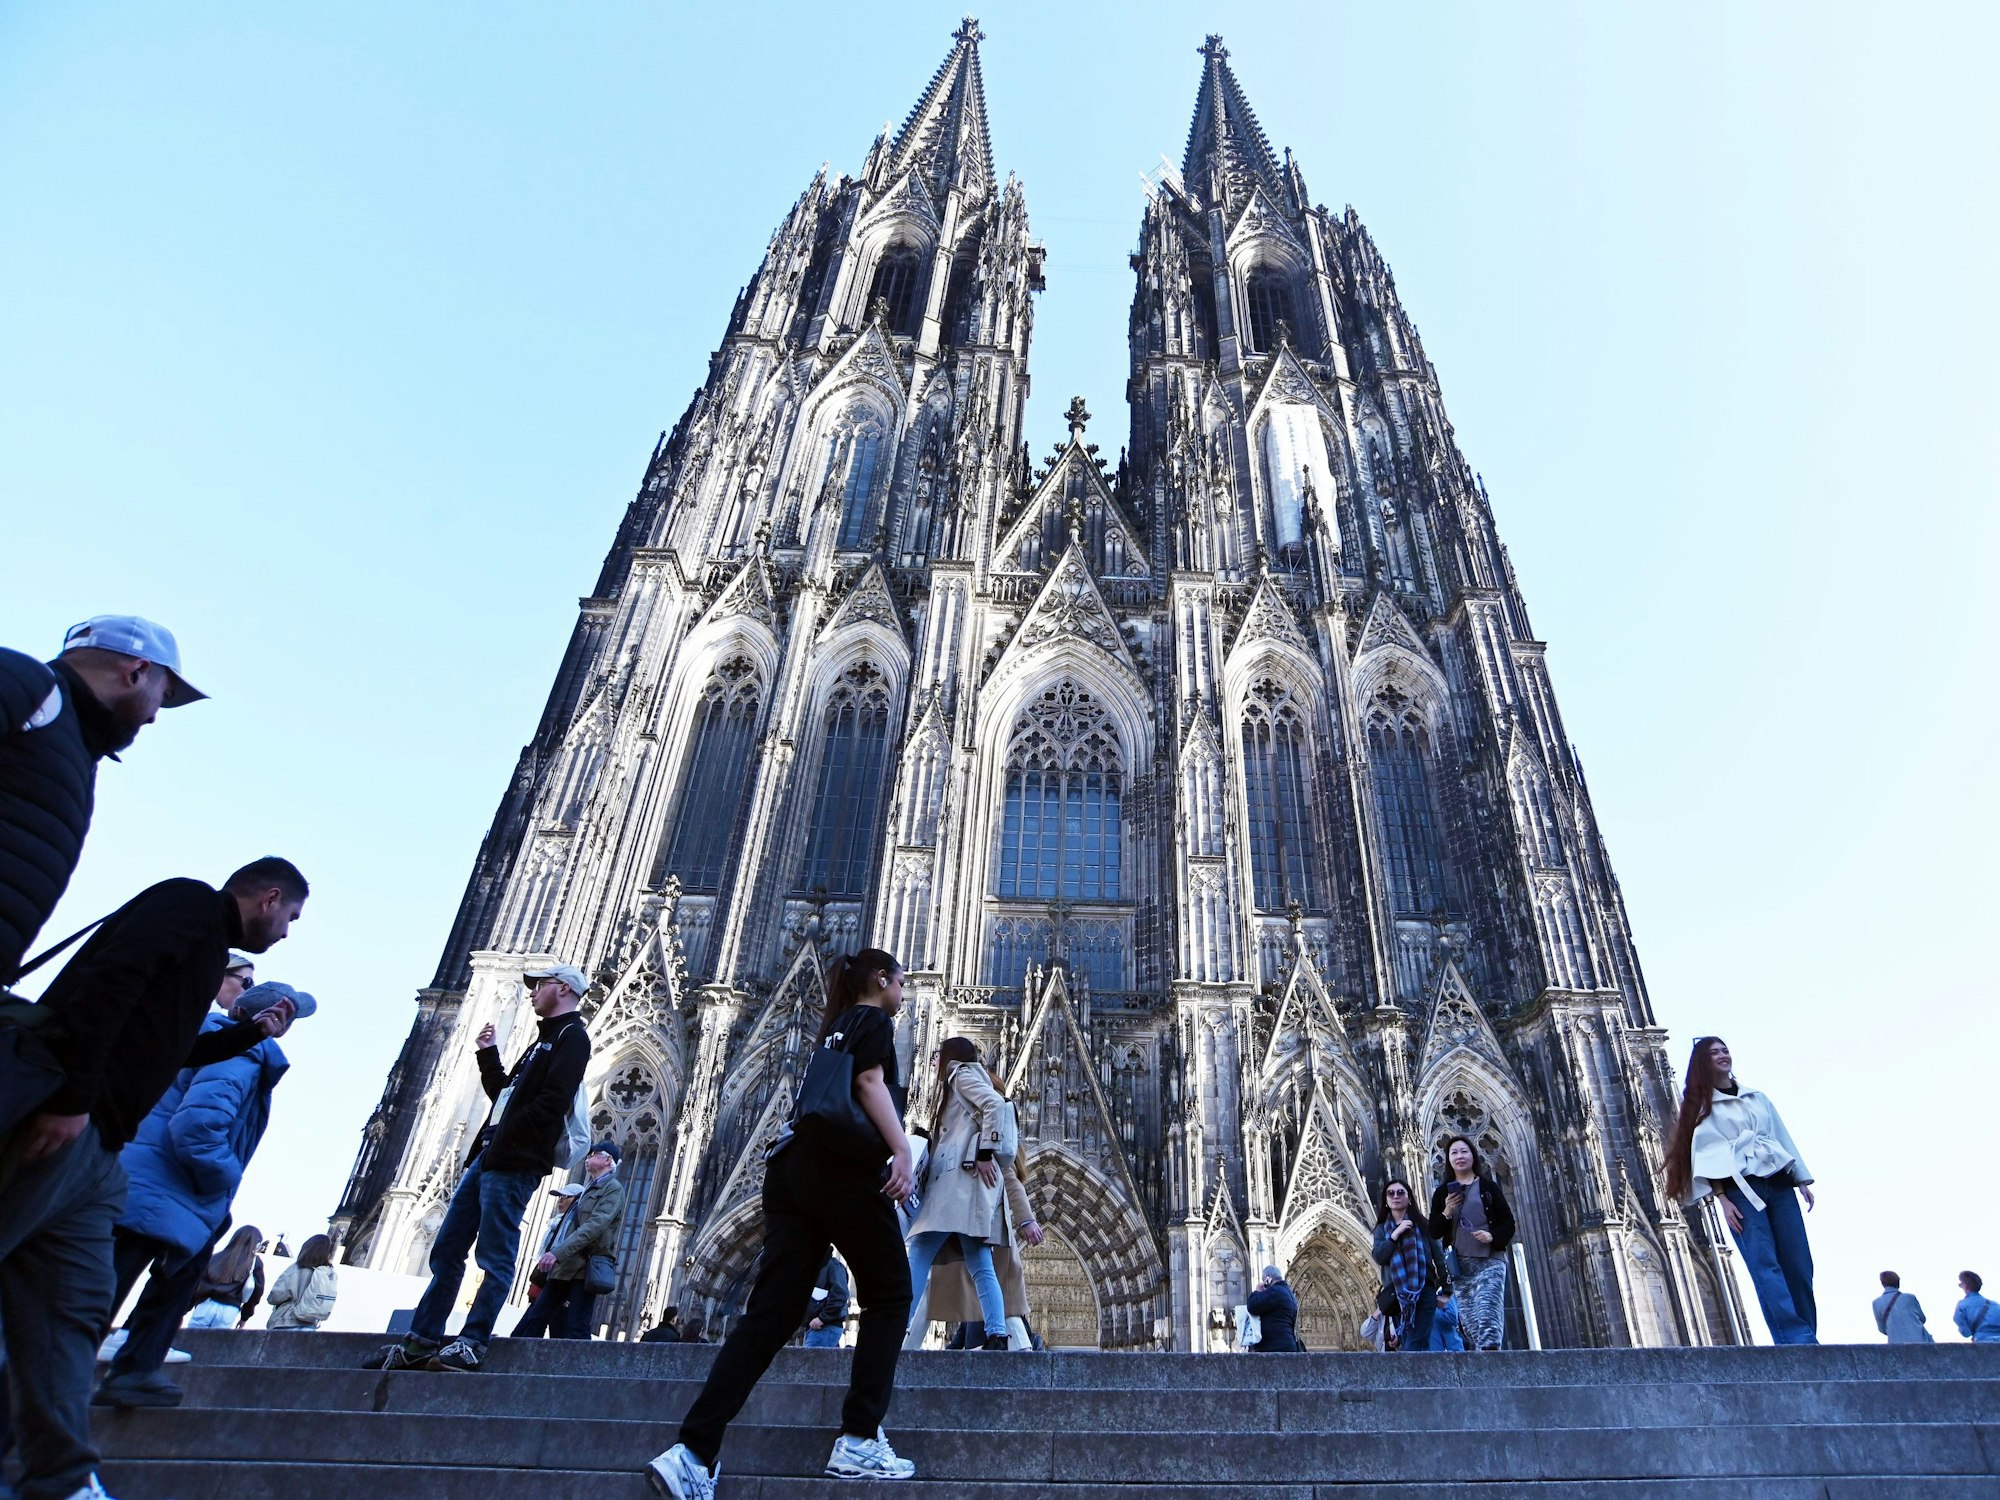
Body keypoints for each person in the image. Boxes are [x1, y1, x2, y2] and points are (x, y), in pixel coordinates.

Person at [0, 856, 304, 1500]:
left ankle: (58, 1478)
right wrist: (71, 1099)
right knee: (58, 1308)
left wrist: (248, 1034)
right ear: (269, 898)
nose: (285, 933)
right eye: (291, 917)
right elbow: (105, 989)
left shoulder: (204, 945)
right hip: (72, 1130)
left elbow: (173, 1047)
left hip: (102, 1154)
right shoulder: (186, 905)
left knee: (76, 1312)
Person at [648, 948, 918, 1497]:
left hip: (791, 1171)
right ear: (881, 980)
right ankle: (859, 1438)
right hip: (841, 1170)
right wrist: (902, 1151)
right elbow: (869, 1084)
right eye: (900, 981)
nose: (902, 991)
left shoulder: (833, 1028)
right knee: (890, 1296)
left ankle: (692, 1452)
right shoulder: (872, 1021)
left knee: (770, 1315)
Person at [95, 979, 317, 1407]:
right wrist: (223, 1177)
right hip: (171, 1186)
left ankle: (134, 1370)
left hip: (152, 1182)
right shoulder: (241, 1050)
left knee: (162, 1277)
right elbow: (197, 1126)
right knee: (116, 1286)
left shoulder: (201, 1039)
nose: (289, 1024)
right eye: (289, 1015)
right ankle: (118, 1372)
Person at [365, 962, 592, 1374]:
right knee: (447, 1249)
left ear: (562, 988)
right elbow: (506, 1098)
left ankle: (472, 1342)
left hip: (515, 1161)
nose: (531, 992)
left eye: (539, 985)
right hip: (489, 1156)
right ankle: (421, 1340)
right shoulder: (541, 1040)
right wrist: (488, 1055)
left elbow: (553, 1102)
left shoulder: (572, 1037)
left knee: (495, 1255)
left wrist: (509, 1135)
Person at [0, 614, 205, 987]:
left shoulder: (75, 750)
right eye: (164, 695)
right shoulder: (26, 684)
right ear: (136, 672)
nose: (154, 717)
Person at [1663, 1036, 1817, 1345]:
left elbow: (1780, 1135)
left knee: (1799, 1264)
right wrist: (1723, 1199)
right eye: (1714, 1053)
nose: (1722, 1055)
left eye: (1725, 1050)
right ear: (1703, 1063)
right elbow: (1707, 1154)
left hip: (1779, 1182)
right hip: (1742, 1191)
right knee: (1765, 1265)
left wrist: (1801, 1179)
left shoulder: (1755, 1097)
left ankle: (1808, 1333)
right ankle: (1795, 1339)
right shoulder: (1702, 1106)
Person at [903, 1037, 1009, 1352]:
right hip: (964, 1188)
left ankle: (894, 1325)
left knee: (919, 1252)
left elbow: (995, 1105)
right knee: (980, 1262)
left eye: (938, 1054)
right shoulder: (966, 1078)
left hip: (955, 1184)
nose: (934, 1060)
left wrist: (986, 1153)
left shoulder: (960, 1074)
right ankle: (997, 1334)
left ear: (951, 1056)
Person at [926, 1150, 1043, 1350]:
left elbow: (1010, 1181)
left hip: (979, 1234)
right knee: (1001, 1303)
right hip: (973, 1233)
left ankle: (903, 1341)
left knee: (1002, 1304)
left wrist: (1026, 1220)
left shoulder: (992, 1151)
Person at [517, 1142, 625, 1341]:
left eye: (594, 1154)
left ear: (608, 1160)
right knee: (536, 1318)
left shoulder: (612, 1189)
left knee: (576, 1325)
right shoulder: (589, 1189)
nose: (588, 1157)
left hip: (583, 1267)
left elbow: (594, 1226)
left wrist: (557, 1253)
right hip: (565, 1266)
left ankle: (578, 1362)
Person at [1427, 1135, 1517, 1352]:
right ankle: (1483, 1360)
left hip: (1489, 1260)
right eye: (1454, 1153)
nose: (1459, 1156)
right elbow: (1434, 1231)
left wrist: (1492, 1236)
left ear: (1473, 1156)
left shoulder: (1488, 1187)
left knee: (1487, 1312)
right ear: (1448, 1159)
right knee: (1469, 1322)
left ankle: (1490, 1356)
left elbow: (1508, 1223)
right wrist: (1447, 1211)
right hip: (1460, 1265)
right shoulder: (1442, 1193)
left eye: (1464, 1151)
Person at [1372, 1177, 1442, 1354]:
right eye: (1390, 1193)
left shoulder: (1424, 1226)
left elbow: (1439, 1257)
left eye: (1400, 1192)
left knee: (1415, 1345)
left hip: (1424, 1291)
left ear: (1409, 1198)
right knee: (1412, 1345)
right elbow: (1379, 1256)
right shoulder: (1382, 1230)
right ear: (1386, 1201)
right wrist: (1395, 1234)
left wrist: (1447, 1291)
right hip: (1397, 1297)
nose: (1395, 1196)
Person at [184, 1226, 264, 1329]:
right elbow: (257, 1292)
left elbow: (196, 1284)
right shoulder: (254, 1262)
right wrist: (245, 1316)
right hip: (230, 1309)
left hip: (205, 1304)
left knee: (191, 1337)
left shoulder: (216, 1258)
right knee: (216, 1339)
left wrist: (185, 1309)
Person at [266, 1235, 337, 1331]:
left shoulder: (296, 1269)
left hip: (285, 1321)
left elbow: (275, 1297)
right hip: (310, 1325)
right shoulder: (328, 1274)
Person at [1244, 1265, 1302, 1352]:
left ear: (1268, 1278)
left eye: (1263, 1280)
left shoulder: (1275, 1291)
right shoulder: (1288, 1292)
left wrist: (1257, 1291)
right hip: (1287, 1344)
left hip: (1275, 1347)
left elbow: (1252, 1306)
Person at [1871, 1271, 1932, 1344]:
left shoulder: (1876, 1303)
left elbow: (1882, 1329)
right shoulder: (1910, 1297)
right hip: (1920, 1341)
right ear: (1898, 1282)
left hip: (1896, 1344)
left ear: (1883, 1284)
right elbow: (1922, 1318)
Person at [803, 1253, 850, 1348]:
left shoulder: (832, 1267)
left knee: (810, 1357)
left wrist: (822, 1318)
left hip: (824, 1327)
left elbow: (840, 1296)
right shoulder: (822, 1267)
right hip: (818, 1327)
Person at [1955, 1271, 2000, 1343]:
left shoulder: (1962, 1305)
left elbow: (1966, 1333)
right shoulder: (1995, 1305)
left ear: (1965, 1286)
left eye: (1960, 1284)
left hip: (1982, 1344)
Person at [1429, 1286, 1466, 1351]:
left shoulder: (1444, 1291)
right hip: (1434, 1352)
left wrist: (1427, 1310)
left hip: (1453, 1351)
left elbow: (1451, 1316)